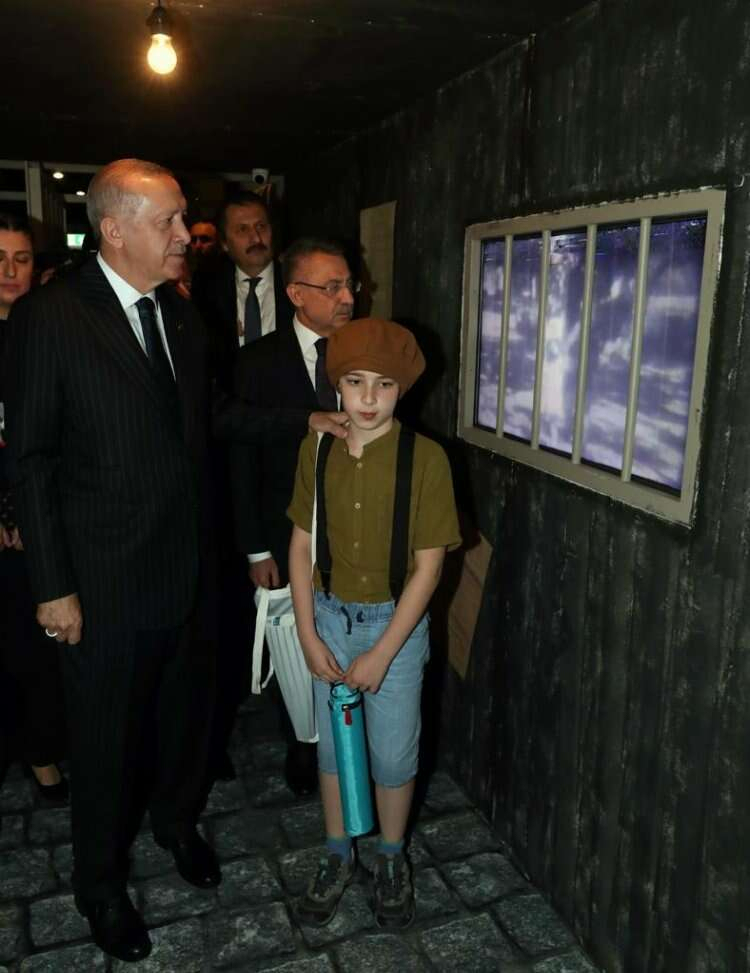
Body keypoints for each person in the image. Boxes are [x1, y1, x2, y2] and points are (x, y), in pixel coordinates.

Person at [3, 159, 220, 964]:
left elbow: (206, 420)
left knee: (183, 722)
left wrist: (308, 419)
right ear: (115, 229)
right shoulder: (52, 316)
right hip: (100, 586)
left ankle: (175, 821)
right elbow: (29, 459)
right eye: (169, 221)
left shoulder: (183, 317)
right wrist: (53, 586)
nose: (184, 235)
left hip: (185, 572)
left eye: (183, 218)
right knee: (102, 747)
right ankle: (99, 883)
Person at [287, 318, 461, 929]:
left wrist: (384, 652)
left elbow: (429, 568)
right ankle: (338, 851)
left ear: (401, 390)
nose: (367, 397)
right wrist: (308, 633)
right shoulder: (317, 448)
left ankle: (390, 855)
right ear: (336, 383)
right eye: (355, 381)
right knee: (335, 751)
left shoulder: (427, 459)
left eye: (383, 385)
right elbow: (300, 546)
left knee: (392, 753)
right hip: (328, 618)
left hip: (395, 627)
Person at [230, 238, 357, 795]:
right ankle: (302, 741)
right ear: (296, 294)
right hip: (284, 529)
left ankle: (345, 737)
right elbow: (241, 459)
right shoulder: (256, 362)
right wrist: (256, 548)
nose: (347, 297)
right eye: (332, 287)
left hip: (354, 531)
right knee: (292, 638)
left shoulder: (366, 347)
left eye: (350, 284)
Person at [0, 212, 68, 805]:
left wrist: (26, 514)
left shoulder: (49, 330)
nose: (9, 271)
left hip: (42, 519)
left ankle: (42, 752)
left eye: (20, 259)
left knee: (39, 648)